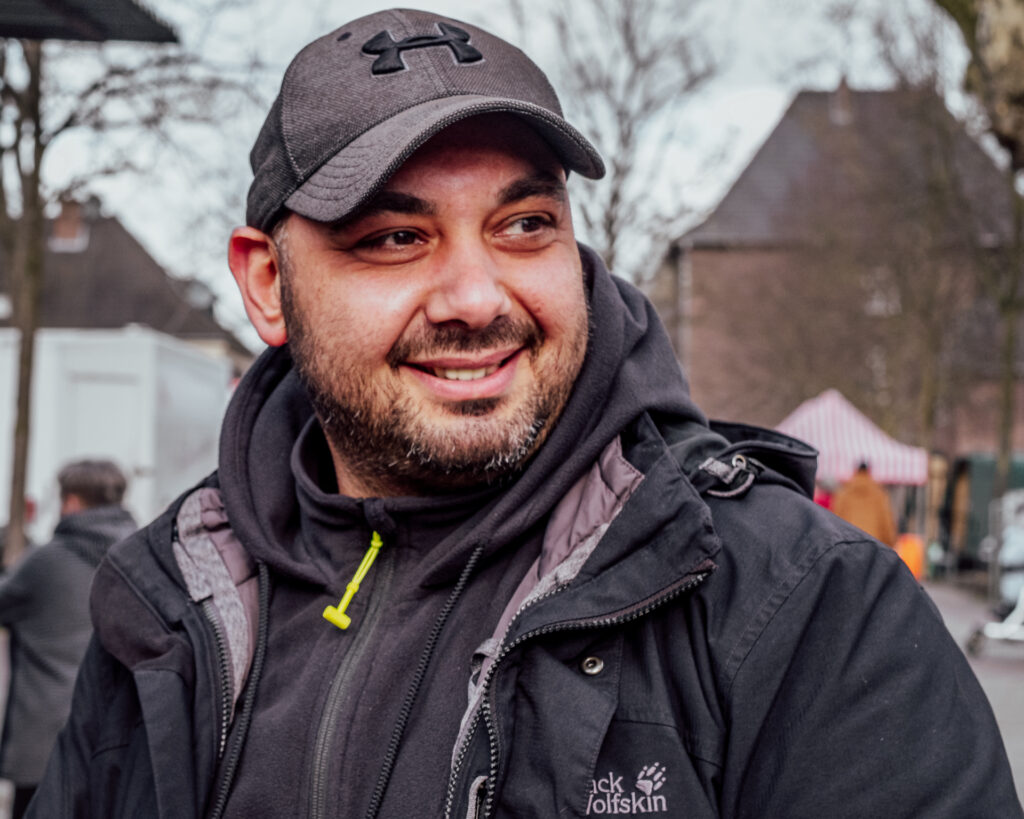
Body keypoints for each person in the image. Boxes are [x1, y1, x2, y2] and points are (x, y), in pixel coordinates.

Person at [32, 9, 1021, 818]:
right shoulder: (165, 603)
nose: (476, 296)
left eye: (524, 225)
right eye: (392, 237)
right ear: (265, 285)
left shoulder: (800, 606)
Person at [0, 460, 134, 818]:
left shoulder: (46, 562)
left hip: (45, 744)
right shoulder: (141, 559)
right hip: (117, 736)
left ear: (71, 502)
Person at [832, 460, 898, 547]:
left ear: (855, 471)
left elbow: (835, 522)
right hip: (874, 546)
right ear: (869, 472)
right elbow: (887, 525)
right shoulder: (879, 495)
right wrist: (890, 544)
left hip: (849, 545)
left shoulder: (844, 494)